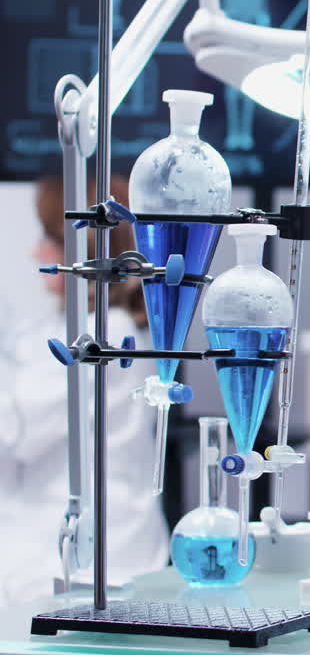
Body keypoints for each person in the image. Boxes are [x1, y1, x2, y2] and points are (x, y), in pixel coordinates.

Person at [0, 175, 168, 606]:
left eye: (50, 241)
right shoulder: (64, 327)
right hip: (61, 544)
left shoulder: (102, 335)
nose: (36, 253)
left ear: (87, 251)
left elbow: (14, 429)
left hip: (93, 557)